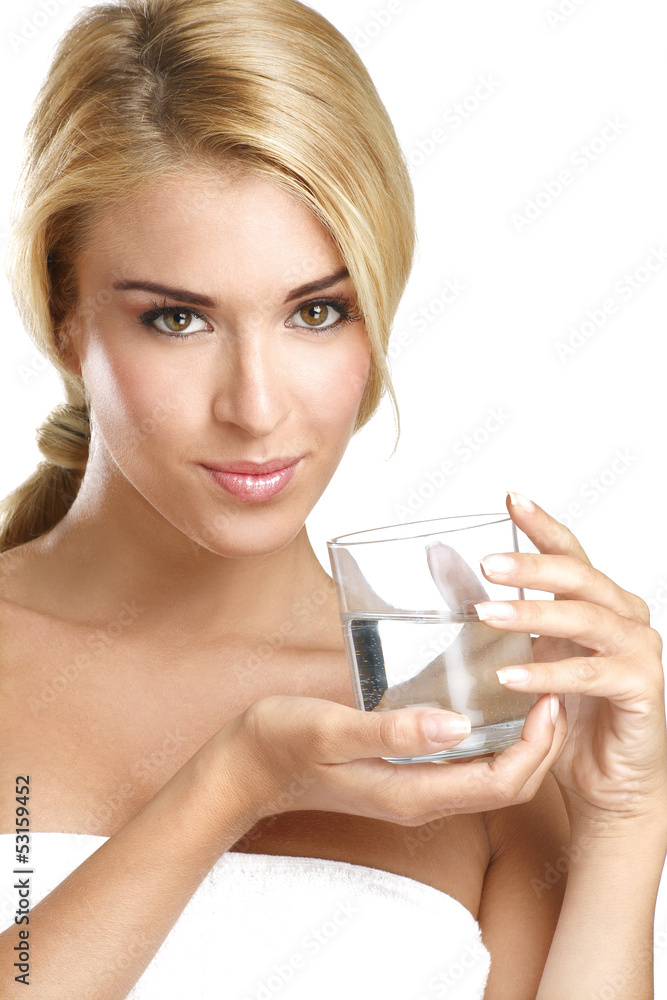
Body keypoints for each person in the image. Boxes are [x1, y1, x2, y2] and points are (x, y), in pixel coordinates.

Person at [0, 1, 665, 997]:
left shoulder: (467, 713)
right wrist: (234, 780)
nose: (257, 407)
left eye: (317, 311)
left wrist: (626, 820)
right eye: (177, 318)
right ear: (64, 316)